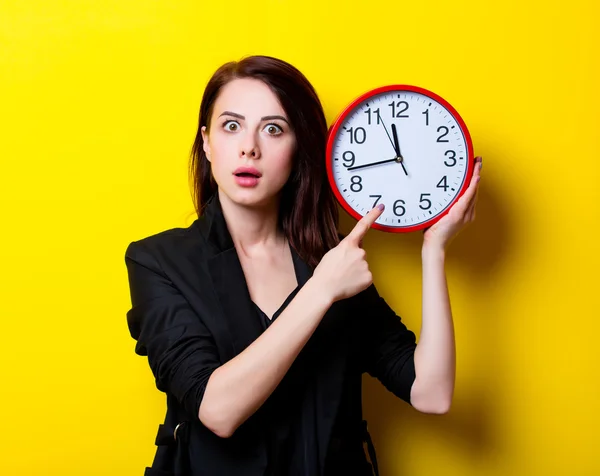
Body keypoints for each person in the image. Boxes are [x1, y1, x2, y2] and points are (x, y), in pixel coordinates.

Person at [124, 55, 482, 476]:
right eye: (231, 125)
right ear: (206, 142)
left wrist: (434, 249)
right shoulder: (158, 262)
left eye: (273, 129)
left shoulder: (333, 264)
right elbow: (217, 410)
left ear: (299, 149)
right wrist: (321, 290)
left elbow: (432, 392)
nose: (249, 147)